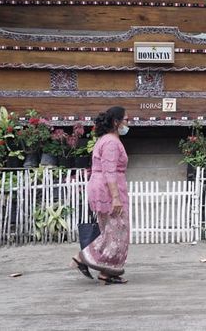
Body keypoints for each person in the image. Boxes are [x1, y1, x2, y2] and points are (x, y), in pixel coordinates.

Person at [74, 106, 130, 284]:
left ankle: (108, 272)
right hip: (108, 189)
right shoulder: (111, 143)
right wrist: (115, 198)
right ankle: (82, 257)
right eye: (126, 120)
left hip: (104, 186)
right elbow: (110, 171)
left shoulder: (106, 140)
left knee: (112, 229)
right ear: (116, 122)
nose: (128, 123)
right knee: (118, 230)